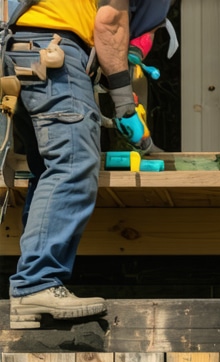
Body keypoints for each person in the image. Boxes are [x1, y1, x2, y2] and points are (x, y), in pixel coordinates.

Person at [4, 0, 171, 328]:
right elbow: (110, 22)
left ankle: (32, 293)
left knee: (50, 170)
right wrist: (124, 100)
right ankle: (36, 283)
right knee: (73, 164)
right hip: (53, 52)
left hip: (20, 49)